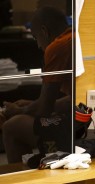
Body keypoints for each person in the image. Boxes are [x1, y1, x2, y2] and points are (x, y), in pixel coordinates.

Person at [2, 6, 72, 163]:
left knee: (11, 126)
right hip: (83, 116)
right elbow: (70, 100)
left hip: (76, 126)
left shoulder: (57, 47)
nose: (38, 46)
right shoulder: (74, 38)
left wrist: (19, 110)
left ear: (44, 31)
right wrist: (31, 105)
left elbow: (44, 110)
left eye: (35, 38)